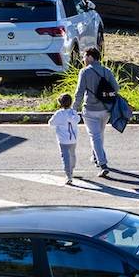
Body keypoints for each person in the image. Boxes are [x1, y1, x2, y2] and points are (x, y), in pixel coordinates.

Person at [73, 47, 119, 177]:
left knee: (95, 136)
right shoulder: (106, 71)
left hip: (90, 109)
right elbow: (116, 88)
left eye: (84, 56)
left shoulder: (84, 72)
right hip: (105, 110)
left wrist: (73, 109)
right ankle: (95, 156)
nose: (83, 59)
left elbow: (79, 93)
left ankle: (103, 164)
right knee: (99, 134)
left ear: (90, 57)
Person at [48, 94, 80, 185]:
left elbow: (51, 123)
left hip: (63, 140)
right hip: (73, 139)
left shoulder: (59, 114)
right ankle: (72, 168)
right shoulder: (73, 112)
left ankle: (68, 175)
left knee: (65, 157)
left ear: (60, 103)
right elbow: (78, 119)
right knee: (72, 154)